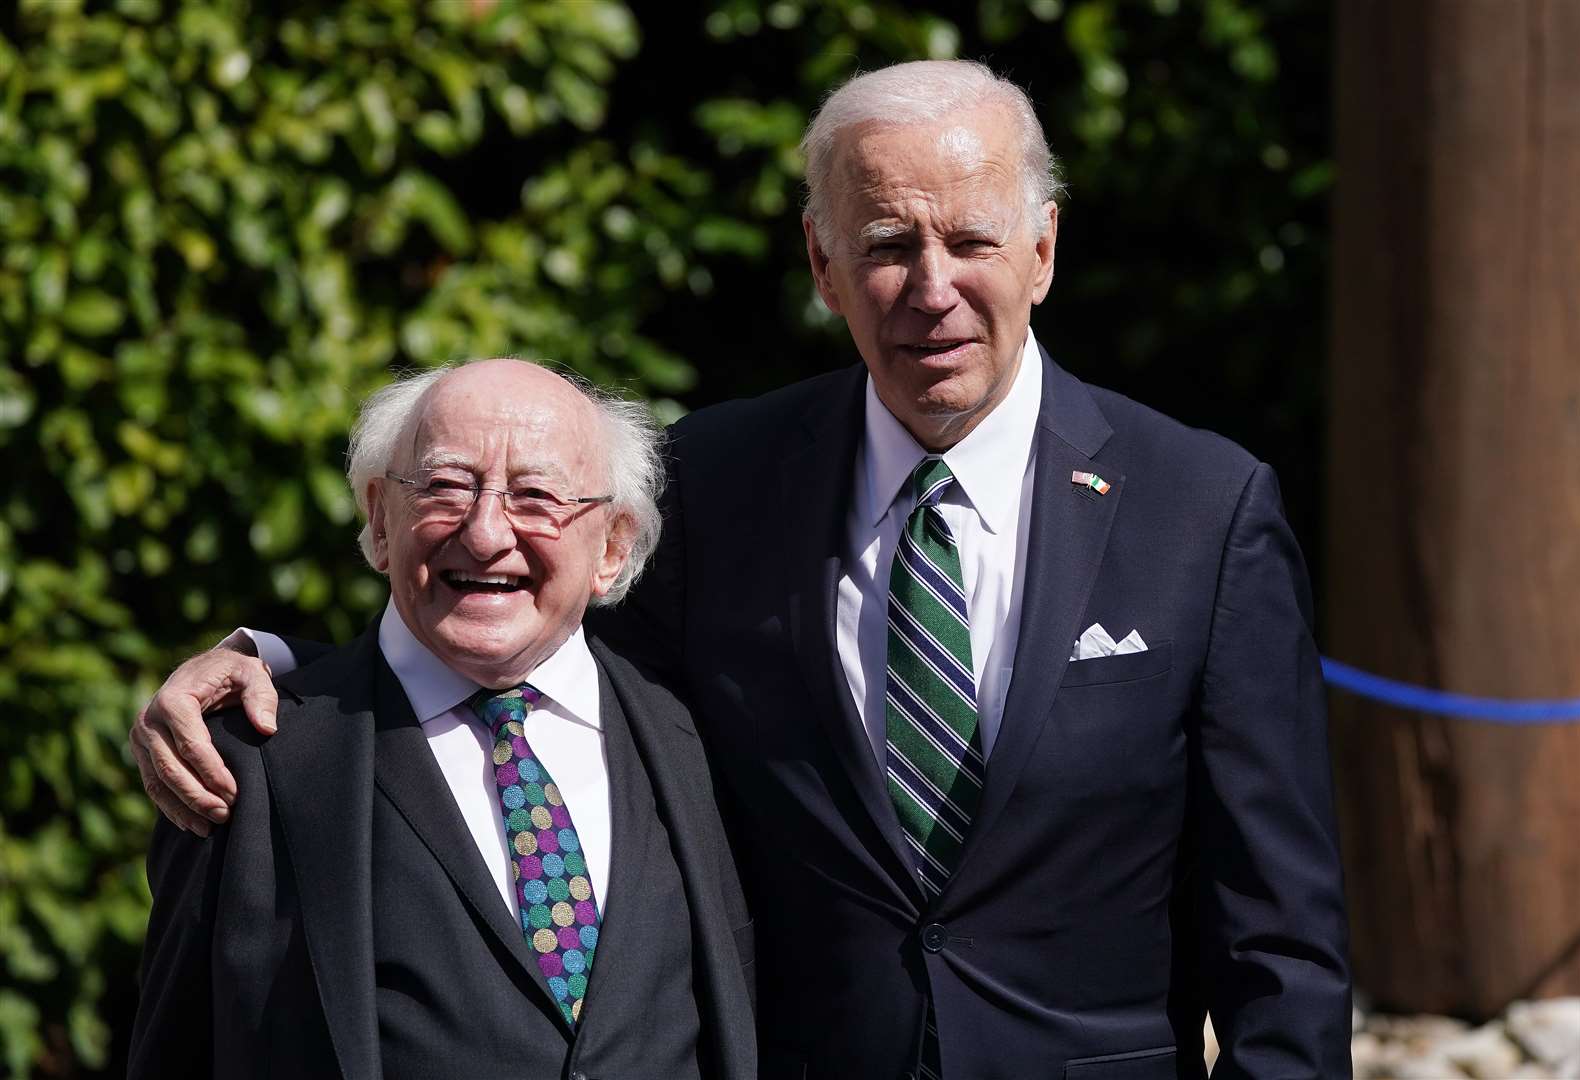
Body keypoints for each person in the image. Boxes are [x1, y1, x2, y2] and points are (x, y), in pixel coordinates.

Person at [131, 61, 1351, 1078]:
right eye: (885, 244)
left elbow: (1280, 940)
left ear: (1040, 250)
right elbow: (511, 608)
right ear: (822, 265)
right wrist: (267, 670)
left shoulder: (1202, 508)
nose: (931, 289)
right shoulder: (715, 479)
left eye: (970, 240)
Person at [128, 360, 756, 1080]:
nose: (486, 534)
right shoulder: (244, 767)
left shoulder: (700, 735)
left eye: (537, 495)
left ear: (612, 546)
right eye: (446, 486)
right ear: (379, 517)